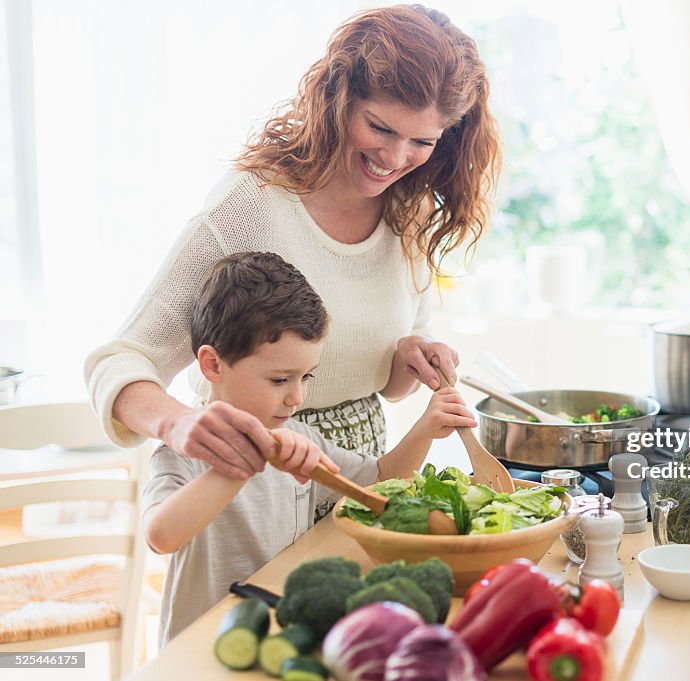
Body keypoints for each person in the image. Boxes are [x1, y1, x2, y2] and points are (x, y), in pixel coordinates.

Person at [84, 4, 500, 478]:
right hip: (251, 479)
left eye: (422, 142)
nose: (396, 157)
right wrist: (178, 423)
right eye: (380, 128)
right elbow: (119, 362)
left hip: (361, 481)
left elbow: (389, 388)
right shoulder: (251, 205)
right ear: (337, 99)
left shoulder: (410, 211)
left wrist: (409, 353)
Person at [142, 251, 477, 646]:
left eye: (306, 377)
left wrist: (426, 427)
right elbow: (161, 536)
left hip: (282, 636)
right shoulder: (181, 454)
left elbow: (380, 482)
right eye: (280, 379)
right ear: (213, 365)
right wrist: (244, 462)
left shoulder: (302, 438)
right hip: (202, 647)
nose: (297, 397)